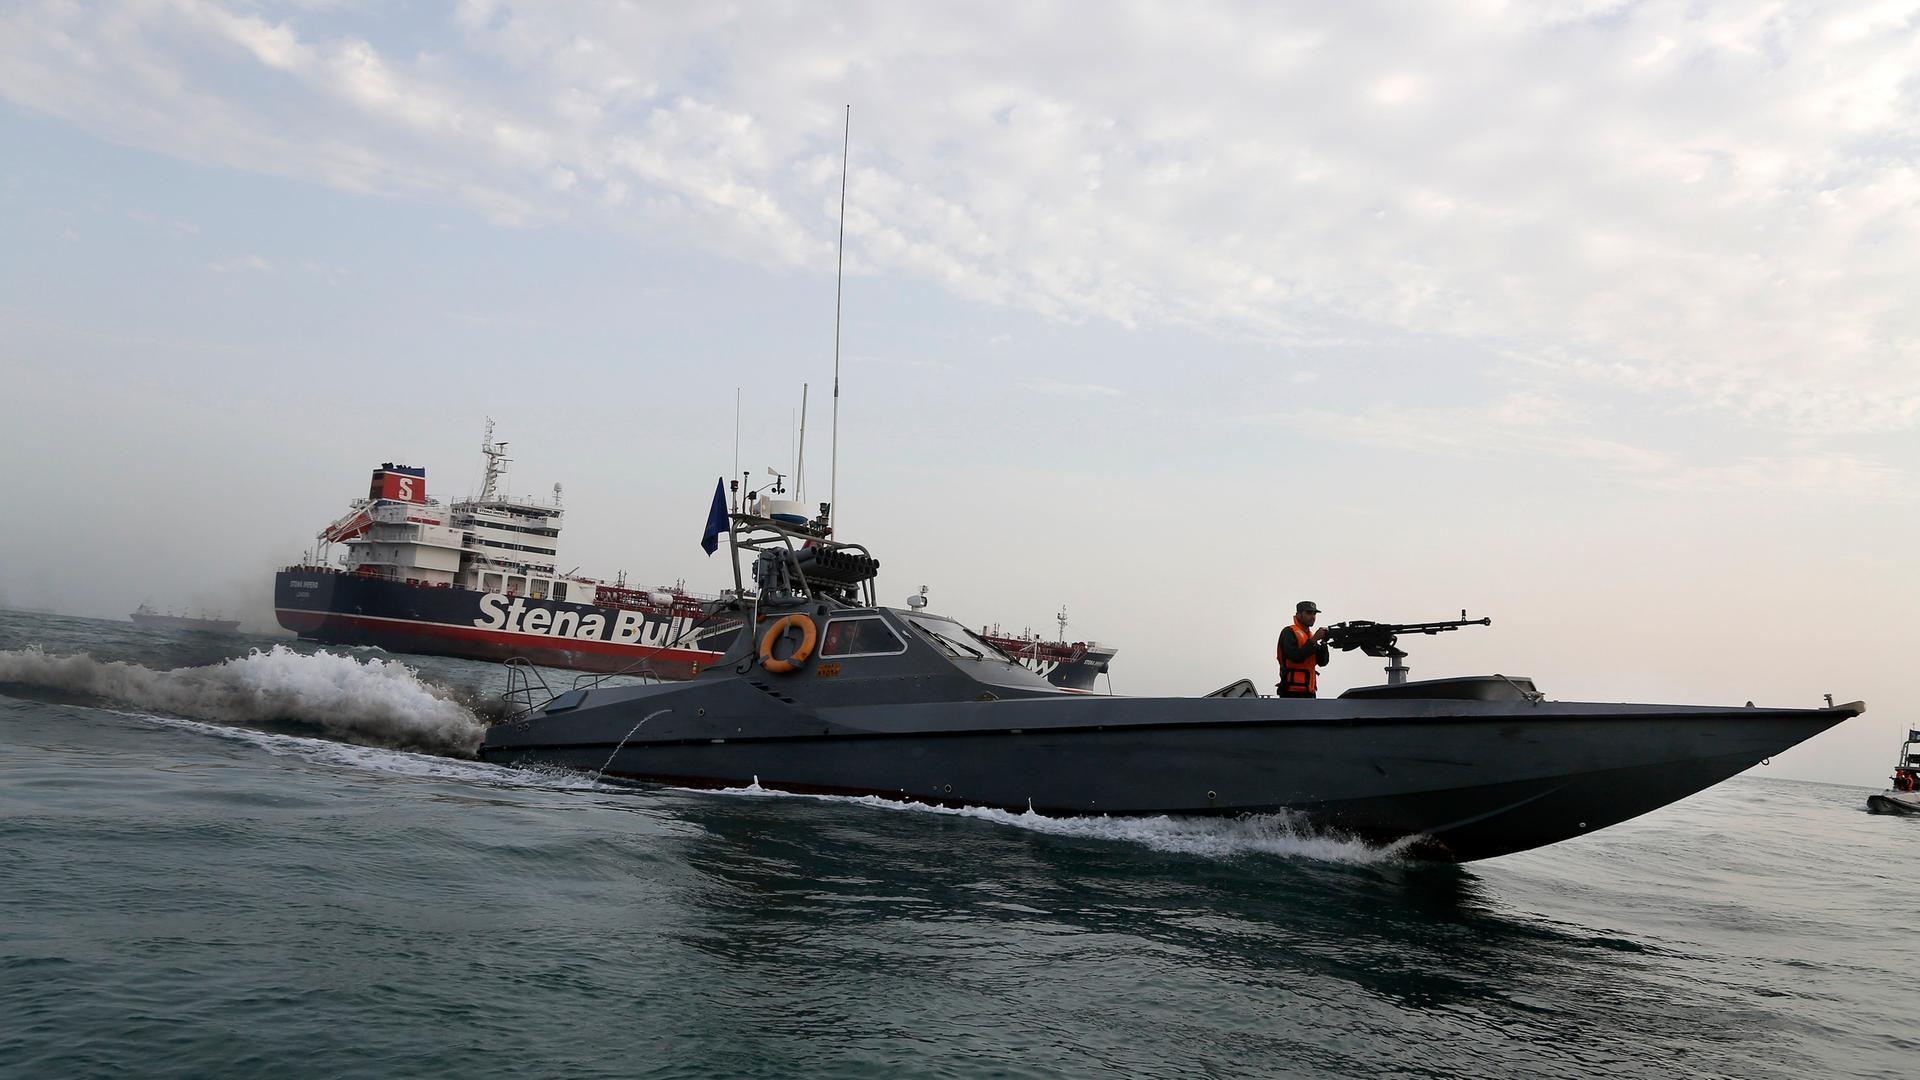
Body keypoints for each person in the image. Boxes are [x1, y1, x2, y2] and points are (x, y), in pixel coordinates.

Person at [1277, 601, 1330, 698]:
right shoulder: (1288, 632)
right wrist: (1314, 640)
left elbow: (1322, 662)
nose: (1313, 616)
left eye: (1314, 614)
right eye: (1309, 613)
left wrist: (1324, 643)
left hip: (1309, 691)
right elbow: (1295, 656)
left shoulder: (1310, 636)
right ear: (1298, 614)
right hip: (1291, 691)